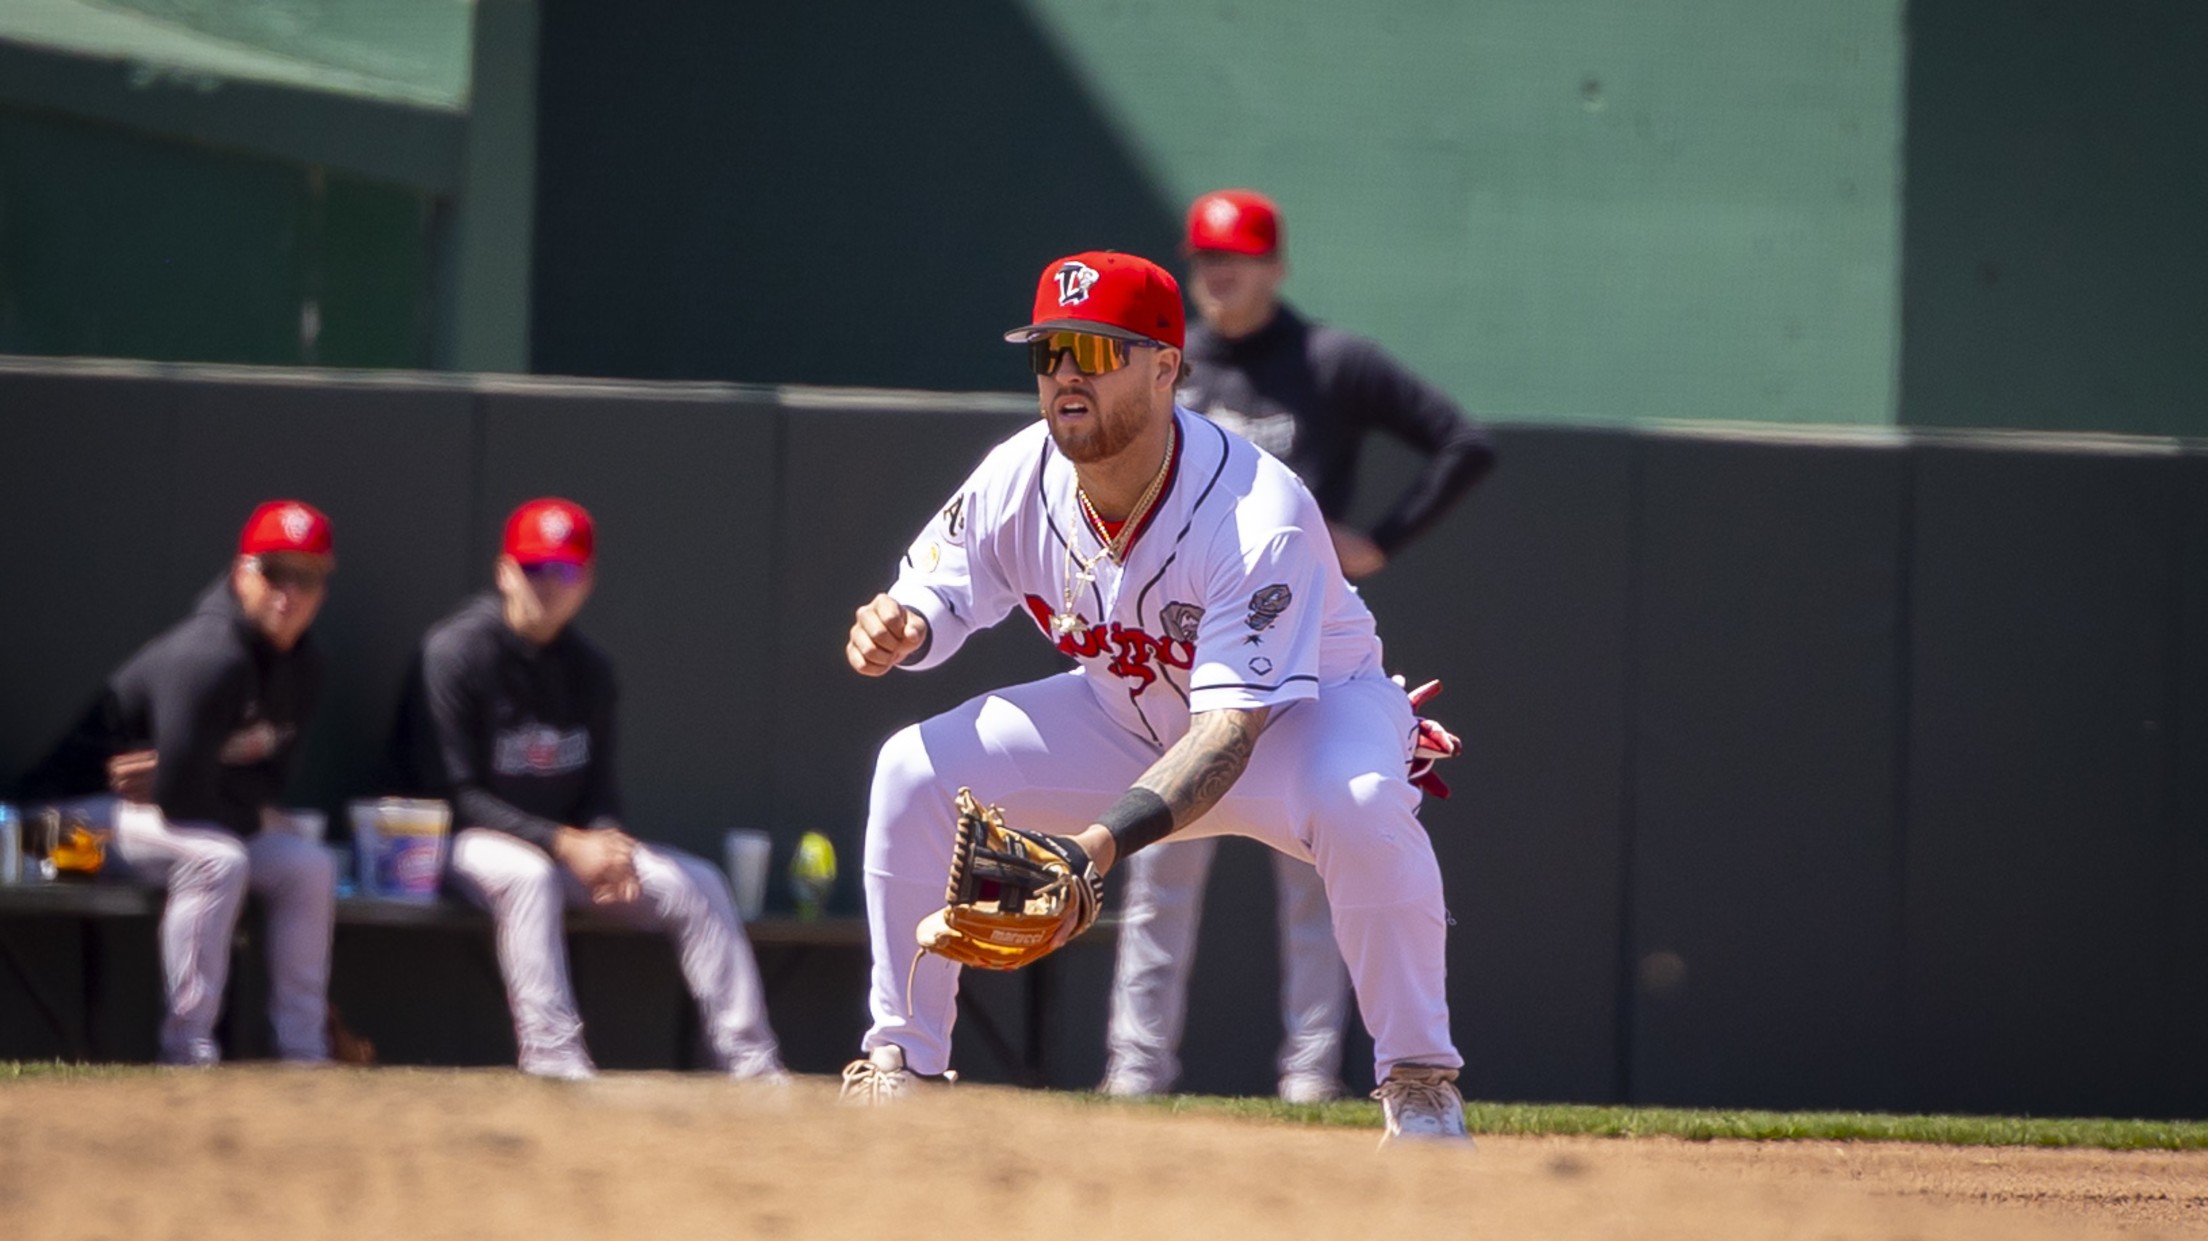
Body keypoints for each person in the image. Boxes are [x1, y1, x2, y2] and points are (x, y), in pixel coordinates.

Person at [837, 250, 1468, 1143]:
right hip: (1128, 714)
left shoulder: (1256, 510)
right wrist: (902, 623)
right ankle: (905, 1063)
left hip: (1302, 721)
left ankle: (1420, 1079)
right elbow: (936, 588)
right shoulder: (1019, 474)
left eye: (1096, 351)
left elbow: (1227, 734)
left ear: (1166, 367)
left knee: (1359, 800)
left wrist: (1092, 848)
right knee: (912, 768)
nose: (1066, 373)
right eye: (1049, 351)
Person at [1101, 189, 1497, 1102]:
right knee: (1159, 864)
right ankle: (1135, 1071)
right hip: (1185, 650)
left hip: (1302, 651)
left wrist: (1383, 538)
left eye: (1238, 257)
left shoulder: (1328, 361)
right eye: (1206, 256)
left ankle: (1311, 1074)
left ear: (1276, 266)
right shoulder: (1172, 362)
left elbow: (1463, 442)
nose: (1220, 273)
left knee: (1318, 873)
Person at [400, 497, 784, 1082]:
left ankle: (752, 1066)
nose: (550, 585)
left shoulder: (589, 669)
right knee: (527, 876)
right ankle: (554, 1059)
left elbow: (598, 791)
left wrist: (608, 842)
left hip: (564, 848)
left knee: (699, 884)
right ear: (505, 572)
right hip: (449, 847)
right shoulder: (457, 652)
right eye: (535, 568)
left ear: (587, 581)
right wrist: (566, 843)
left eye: (566, 570)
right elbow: (453, 795)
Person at [20, 500, 341, 1066]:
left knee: (309, 867)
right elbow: (182, 801)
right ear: (243, 573)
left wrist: (200, 778)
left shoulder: (304, 667)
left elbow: (263, 784)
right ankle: (188, 1051)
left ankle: (303, 1051)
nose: (289, 593)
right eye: (275, 573)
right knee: (217, 858)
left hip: (157, 822)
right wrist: (200, 785)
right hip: (48, 832)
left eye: (307, 577)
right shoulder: (209, 654)